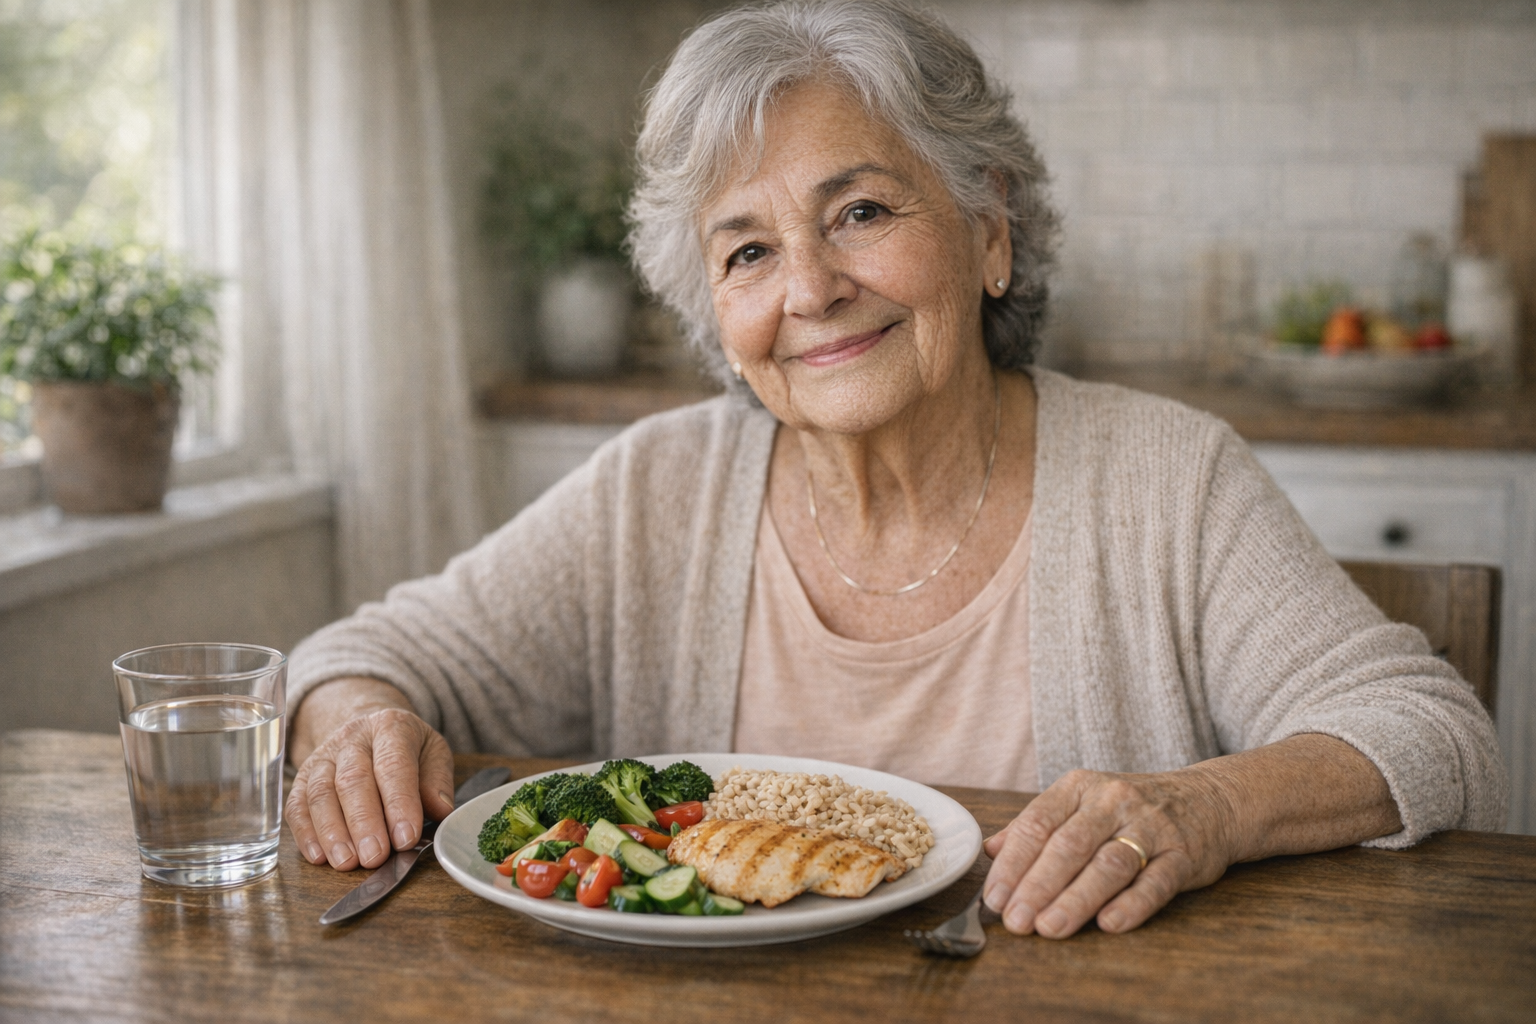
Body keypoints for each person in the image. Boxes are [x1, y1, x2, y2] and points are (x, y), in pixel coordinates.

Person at [283, 0, 1506, 938]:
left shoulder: (1166, 478)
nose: (811, 289)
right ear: (715, 313)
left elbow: (1429, 729)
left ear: (987, 231)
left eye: (861, 211)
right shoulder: (656, 491)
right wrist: (357, 729)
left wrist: (1202, 810)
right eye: (749, 250)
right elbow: (362, 659)